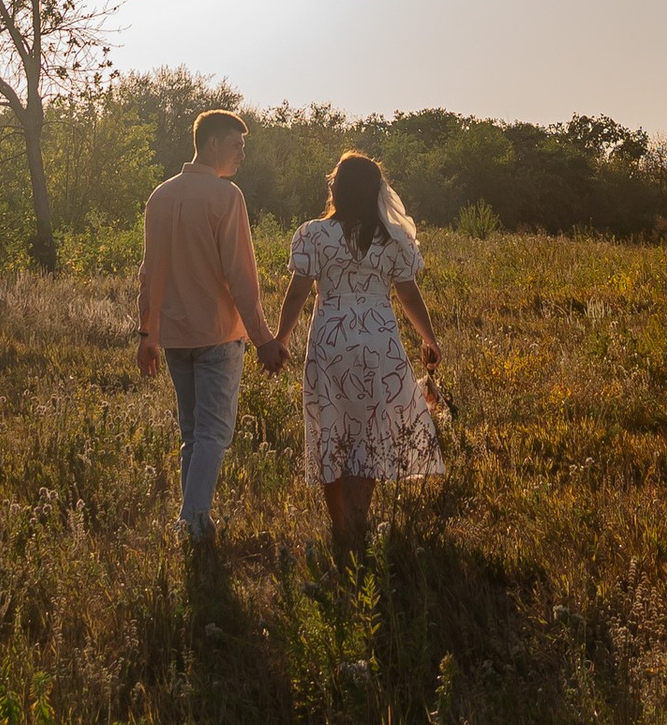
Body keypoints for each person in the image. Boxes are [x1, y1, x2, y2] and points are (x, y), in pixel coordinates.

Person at [271, 149, 442, 555]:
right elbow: (408, 294)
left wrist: (281, 339)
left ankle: (341, 526)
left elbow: (297, 293)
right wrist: (430, 338)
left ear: (338, 189)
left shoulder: (314, 234)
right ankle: (359, 519)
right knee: (369, 428)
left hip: (330, 340)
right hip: (379, 341)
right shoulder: (393, 240)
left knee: (330, 427)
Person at [136, 107, 284, 547]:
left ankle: (194, 520)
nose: (242, 155)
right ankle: (193, 522)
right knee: (213, 433)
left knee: (193, 434)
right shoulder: (226, 197)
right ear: (213, 143)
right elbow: (241, 277)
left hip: (174, 337)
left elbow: (149, 273)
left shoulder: (160, 196)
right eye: (237, 146)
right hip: (219, 336)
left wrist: (147, 335)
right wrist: (264, 339)